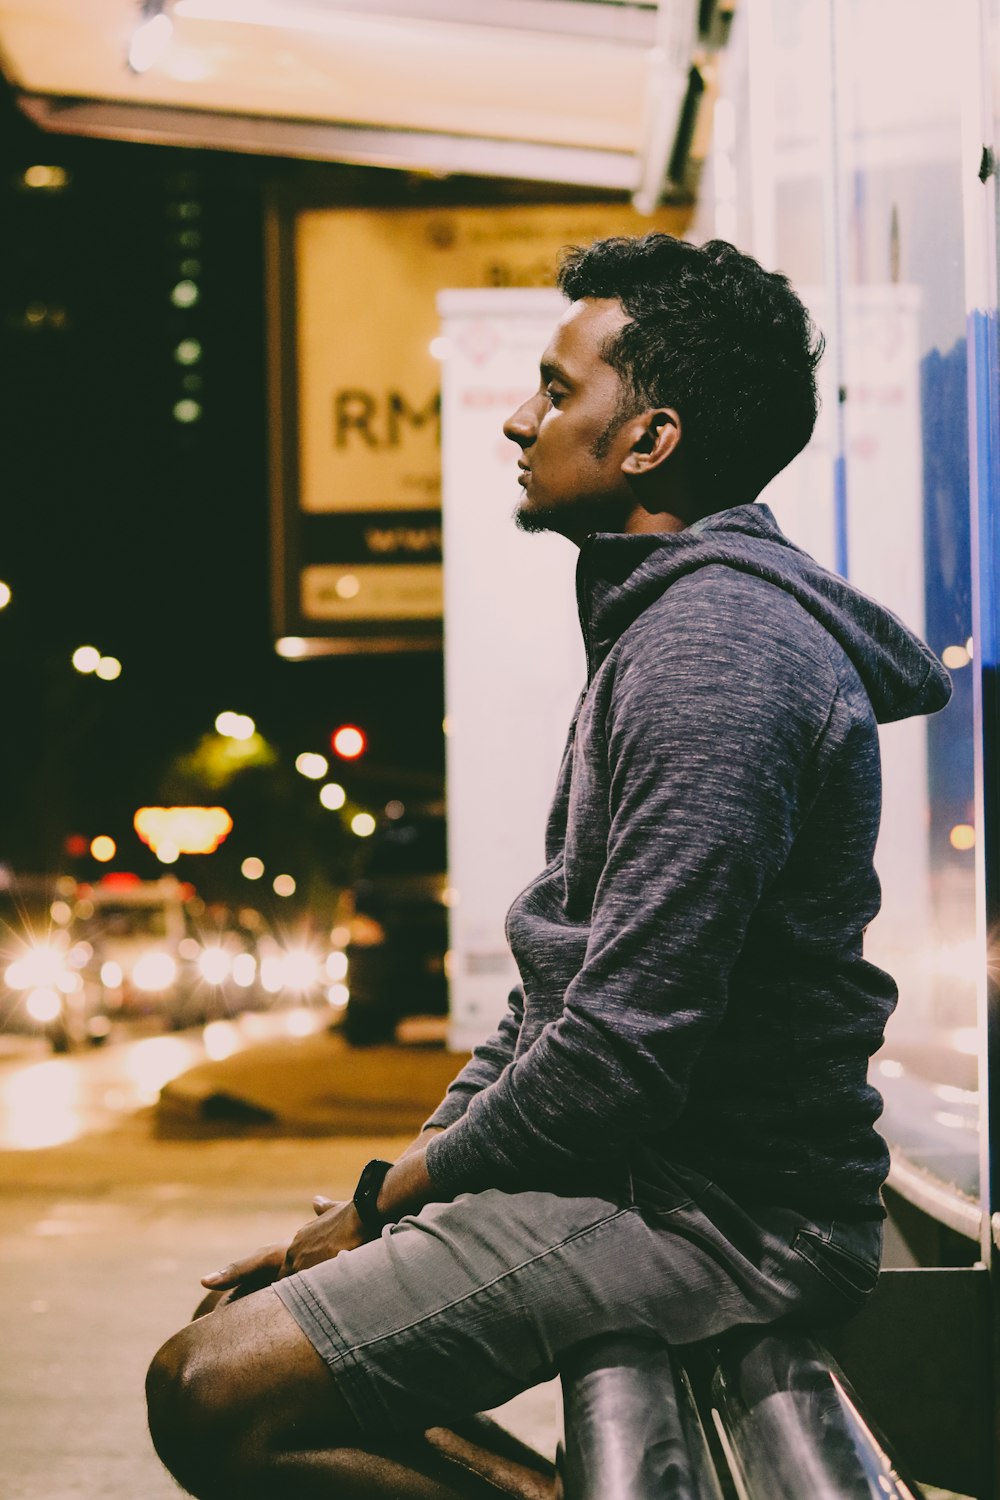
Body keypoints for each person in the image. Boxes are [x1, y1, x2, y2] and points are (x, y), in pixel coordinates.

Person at [146, 233, 951, 1499]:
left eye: (555, 389)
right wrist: (406, 1192)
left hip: (725, 1220)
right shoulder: (664, 626)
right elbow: (550, 995)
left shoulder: (715, 652)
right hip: (651, 1188)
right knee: (216, 1359)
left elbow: (616, 1056)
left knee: (208, 1394)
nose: (518, 421)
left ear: (649, 441)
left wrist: (371, 1208)